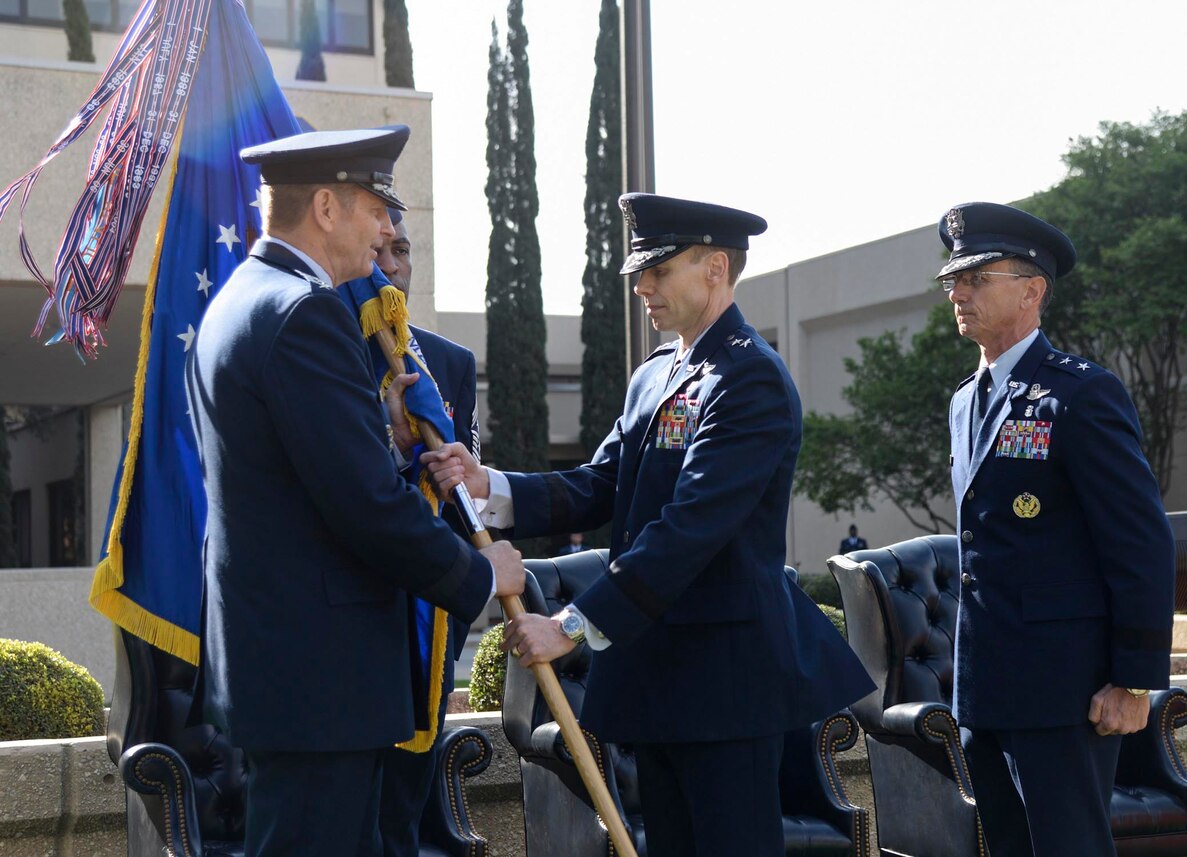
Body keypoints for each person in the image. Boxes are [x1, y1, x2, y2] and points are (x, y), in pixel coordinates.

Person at [424, 193, 873, 857]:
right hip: (657, 680)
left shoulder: (750, 380)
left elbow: (685, 529)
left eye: (659, 270)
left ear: (714, 267)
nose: (643, 286)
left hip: (725, 686)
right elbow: (601, 483)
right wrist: (489, 486)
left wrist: (569, 627)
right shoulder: (656, 375)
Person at [184, 125, 524, 857]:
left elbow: (296, 468)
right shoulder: (307, 312)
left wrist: (387, 436)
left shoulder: (243, 298)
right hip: (321, 681)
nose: (386, 228)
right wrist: (479, 573)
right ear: (329, 208)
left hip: (286, 671)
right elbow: (367, 506)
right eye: (376, 208)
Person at [938, 201, 1175, 856]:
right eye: (953, 280)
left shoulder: (1081, 394)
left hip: (1066, 692)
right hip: (985, 689)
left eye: (976, 278)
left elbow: (1139, 539)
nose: (957, 291)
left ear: (1031, 289)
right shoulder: (965, 400)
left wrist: (1132, 680)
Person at [371, 208, 482, 857]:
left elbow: (462, 513)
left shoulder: (449, 364)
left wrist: (449, 628)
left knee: (400, 828)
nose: (392, 266)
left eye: (404, 251)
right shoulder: (326, 354)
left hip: (424, 640)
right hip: (344, 640)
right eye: (381, 251)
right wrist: (390, 442)